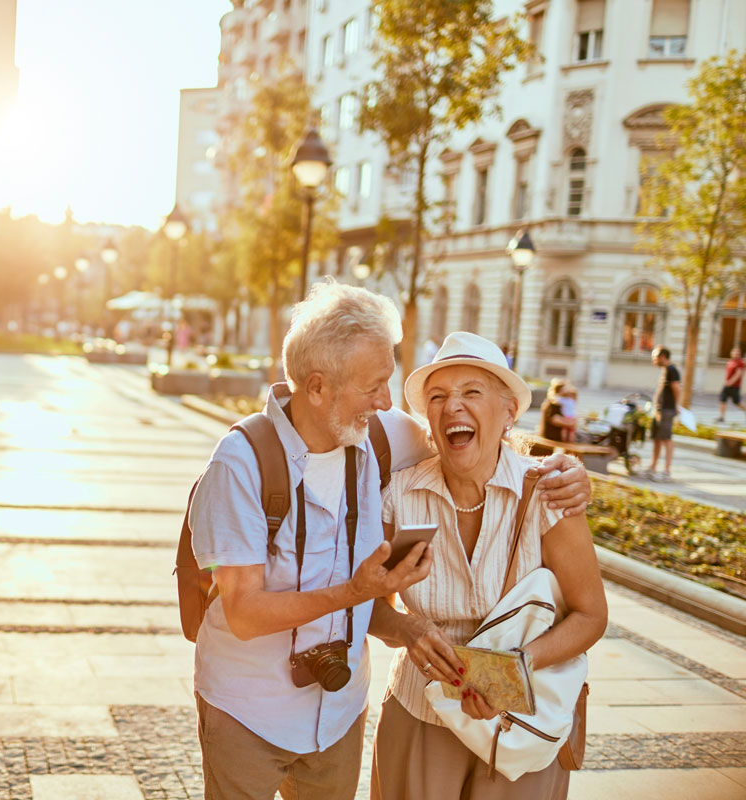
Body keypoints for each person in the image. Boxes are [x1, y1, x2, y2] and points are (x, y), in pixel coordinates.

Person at [188, 284, 591, 800]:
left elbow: (478, 436)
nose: (386, 401)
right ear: (317, 388)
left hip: (338, 714)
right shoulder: (240, 463)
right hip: (249, 707)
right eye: (374, 385)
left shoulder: (384, 436)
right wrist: (363, 597)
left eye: (389, 383)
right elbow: (243, 613)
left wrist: (568, 470)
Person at [368, 332, 608, 800]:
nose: (452, 406)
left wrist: (512, 670)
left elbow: (591, 614)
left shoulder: (547, 493)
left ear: (508, 412)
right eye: (437, 397)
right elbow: (372, 601)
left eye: (471, 392)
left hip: (523, 720)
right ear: (428, 419)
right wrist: (405, 629)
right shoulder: (400, 497)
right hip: (422, 711)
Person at [648, 347, 682, 481]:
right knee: (656, 438)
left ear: (662, 356)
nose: (653, 361)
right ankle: (652, 467)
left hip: (667, 410)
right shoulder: (665, 370)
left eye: (655, 358)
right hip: (660, 409)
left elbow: (677, 389)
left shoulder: (672, 370)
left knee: (666, 439)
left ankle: (666, 471)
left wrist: (676, 406)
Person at [715, 346, 745, 424]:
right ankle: (721, 417)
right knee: (722, 400)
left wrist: (730, 382)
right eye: (734, 352)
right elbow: (727, 374)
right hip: (727, 385)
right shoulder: (730, 362)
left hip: (734, 386)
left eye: (738, 352)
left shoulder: (740, 363)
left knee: (737, 402)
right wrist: (725, 383)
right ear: (731, 353)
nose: (736, 354)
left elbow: (738, 374)